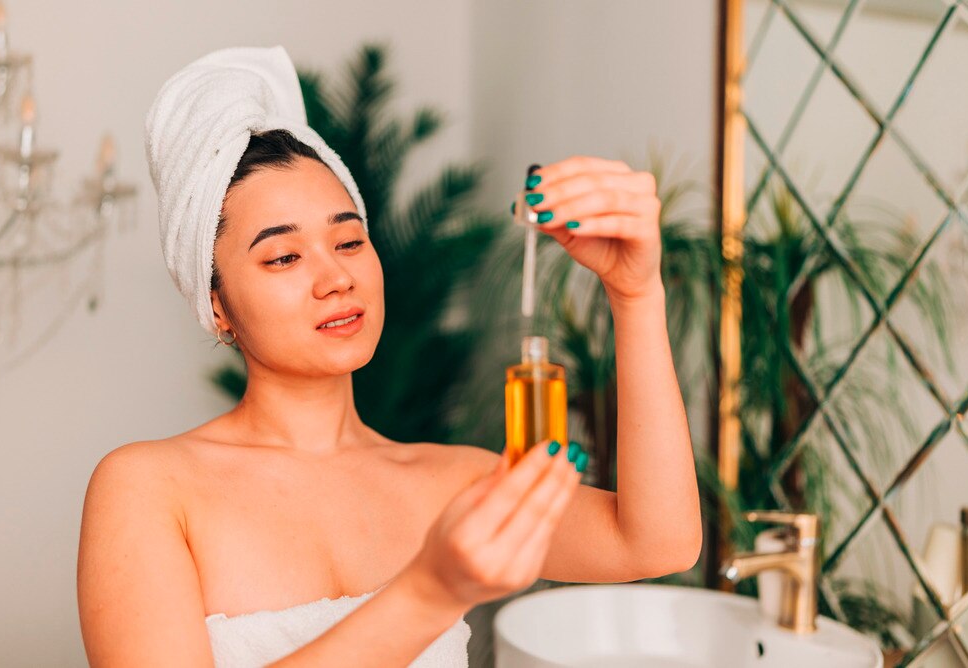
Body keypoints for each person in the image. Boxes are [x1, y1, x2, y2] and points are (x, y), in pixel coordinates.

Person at [77, 46, 702, 668]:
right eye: (284, 257)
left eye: (349, 240)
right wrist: (432, 589)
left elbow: (657, 542)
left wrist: (635, 292)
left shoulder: (449, 483)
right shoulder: (149, 489)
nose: (335, 277)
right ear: (216, 305)